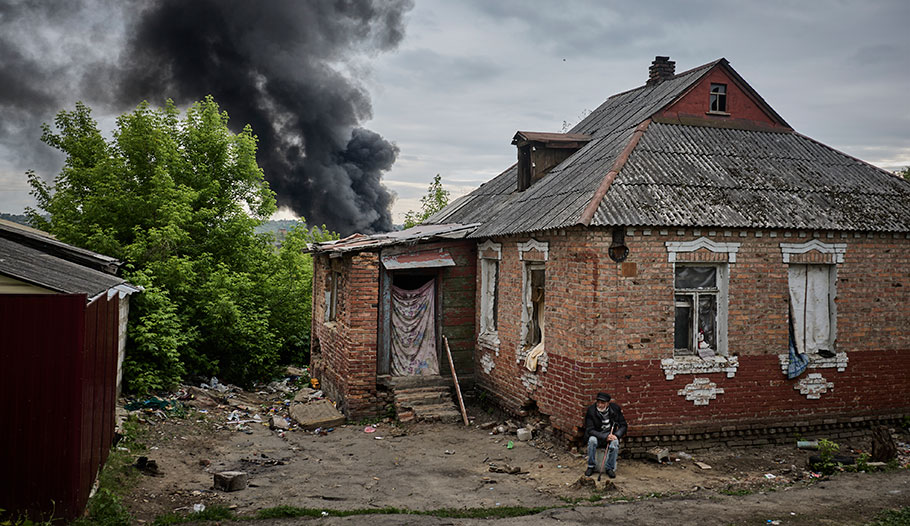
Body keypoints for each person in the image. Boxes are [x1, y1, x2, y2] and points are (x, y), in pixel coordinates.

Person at [584, 392, 627, 478]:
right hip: (597, 435)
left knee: (615, 443)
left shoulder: (615, 409)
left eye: (602, 403)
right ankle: (591, 466)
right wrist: (604, 437)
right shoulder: (591, 411)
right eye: (598, 402)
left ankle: (609, 468)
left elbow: (623, 425)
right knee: (592, 441)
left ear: (608, 403)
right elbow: (590, 430)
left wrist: (616, 435)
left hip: (610, 435)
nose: (600, 405)